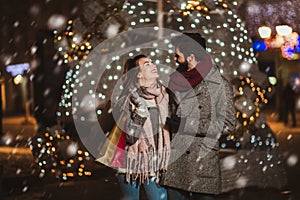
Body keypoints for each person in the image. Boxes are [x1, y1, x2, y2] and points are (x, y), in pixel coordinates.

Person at [160, 33, 236, 200]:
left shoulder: (220, 85)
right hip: (176, 162)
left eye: (177, 55)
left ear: (191, 56)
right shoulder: (174, 81)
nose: (174, 58)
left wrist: (187, 124)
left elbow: (228, 124)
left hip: (203, 164)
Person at [111, 55, 170, 200]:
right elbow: (131, 136)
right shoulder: (127, 100)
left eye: (152, 62)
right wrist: (140, 111)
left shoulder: (163, 96)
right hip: (129, 164)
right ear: (138, 73)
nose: (152, 65)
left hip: (155, 165)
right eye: (146, 64)